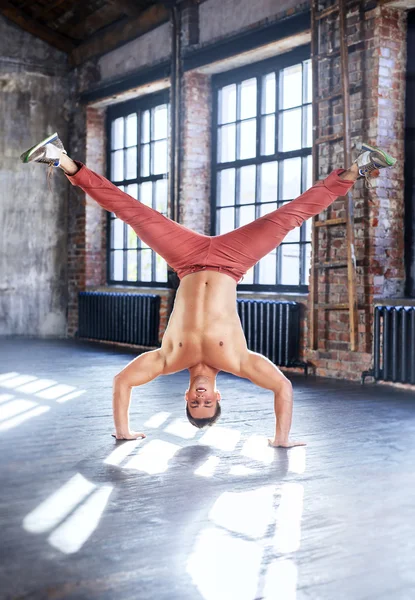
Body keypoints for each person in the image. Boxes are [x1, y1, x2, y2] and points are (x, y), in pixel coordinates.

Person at [20, 134, 396, 445]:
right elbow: (282, 388)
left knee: (131, 211)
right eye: (207, 404)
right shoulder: (237, 360)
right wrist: (281, 439)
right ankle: (359, 168)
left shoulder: (168, 360)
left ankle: (60, 158)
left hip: (185, 260)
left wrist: (124, 432)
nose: (200, 399)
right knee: (290, 217)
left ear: (186, 398)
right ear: (218, 397)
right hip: (232, 261)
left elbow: (122, 383)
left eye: (195, 405)